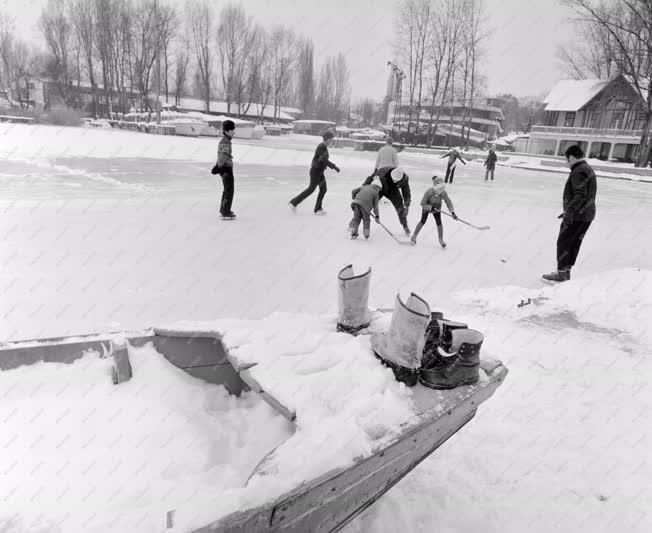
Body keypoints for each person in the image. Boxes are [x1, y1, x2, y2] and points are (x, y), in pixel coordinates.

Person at [542, 145, 597, 282]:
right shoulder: (588, 168)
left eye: (566, 159)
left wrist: (569, 212)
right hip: (587, 215)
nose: (566, 163)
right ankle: (566, 272)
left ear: (571, 157)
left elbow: (580, 195)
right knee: (574, 243)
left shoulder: (578, 171)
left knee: (564, 242)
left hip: (577, 215)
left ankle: (561, 273)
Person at [289, 130, 340, 215]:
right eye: (331, 139)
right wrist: (334, 167)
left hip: (320, 172)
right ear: (327, 139)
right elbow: (324, 160)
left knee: (323, 189)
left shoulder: (324, 147)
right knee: (311, 189)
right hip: (315, 171)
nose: (332, 141)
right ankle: (294, 202)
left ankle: (318, 208)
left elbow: (323, 160)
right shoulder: (321, 147)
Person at [357, 166, 412, 235]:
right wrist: (362, 191)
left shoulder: (405, 179)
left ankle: (405, 226)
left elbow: (406, 192)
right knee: (366, 204)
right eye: (394, 179)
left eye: (397, 180)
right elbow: (370, 178)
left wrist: (407, 206)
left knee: (400, 207)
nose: (395, 181)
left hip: (393, 191)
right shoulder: (382, 173)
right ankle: (355, 222)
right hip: (379, 188)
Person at [411, 176, 458, 248]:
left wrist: (453, 213)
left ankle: (441, 239)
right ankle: (414, 236)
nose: (442, 189)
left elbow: (448, 202)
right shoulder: (428, 192)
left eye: (443, 187)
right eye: (440, 188)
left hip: (437, 207)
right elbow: (422, 203)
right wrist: (430, 207)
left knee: (439, 222)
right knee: (423, 220)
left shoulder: (443, 193)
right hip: (427, 207)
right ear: (436, 188)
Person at [211, 119, 236, 220]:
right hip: (226, 169)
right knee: (229, 190)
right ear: (226, 131)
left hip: (224, 167)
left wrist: (218, 166)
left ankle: (224, 209)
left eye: (233, 129)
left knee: (227, 190)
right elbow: (223, 156)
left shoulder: (226, 141)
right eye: (231, 130)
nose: (233, 131)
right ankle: (225, 212)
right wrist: (218, 166)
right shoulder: (225, 142)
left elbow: (222, 155)